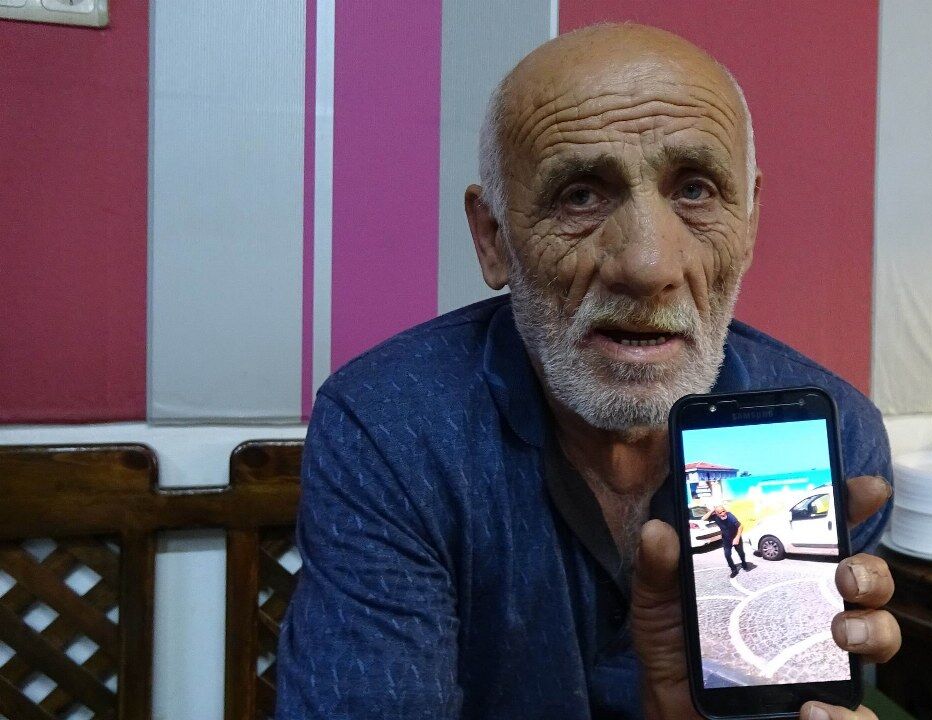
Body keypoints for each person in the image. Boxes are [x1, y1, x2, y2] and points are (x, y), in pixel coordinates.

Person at [276, 22, 899, 720]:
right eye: (580, 196)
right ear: (493, 238)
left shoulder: (833, 442)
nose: (649, 266)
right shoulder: (391, 429)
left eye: (695, 191)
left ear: (749, 223)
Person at [703, 505, 752, 576]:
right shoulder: (715, 517)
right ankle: (734, 570)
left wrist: (737, 538)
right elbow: (703, 518)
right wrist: (712, 510)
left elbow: (740, 526)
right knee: (727, 555)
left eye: (723, 511)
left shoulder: (730, 516)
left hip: (736, 537)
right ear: (716, 514)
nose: (723, 513)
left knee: (741, 552)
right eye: (720, 513)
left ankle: (744, 563)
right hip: (726, 539)